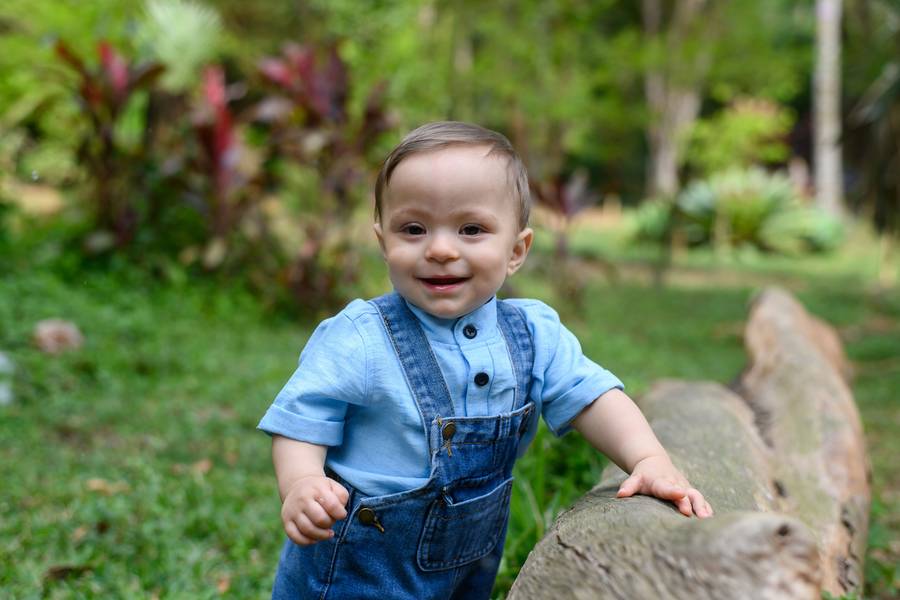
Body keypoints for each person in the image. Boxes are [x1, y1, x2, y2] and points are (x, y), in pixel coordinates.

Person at [258, 121, 713, 600]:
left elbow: (593, 397)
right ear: (383, 242)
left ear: (516, 250)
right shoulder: (362, 336)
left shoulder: (533, 333)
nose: (440, 249)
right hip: (357, 569)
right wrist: (302, 482)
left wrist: (647, 458)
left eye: (471, 229)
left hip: (466, 567)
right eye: (413, 229)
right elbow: (302, 420)